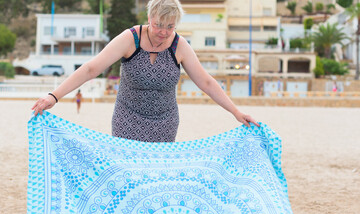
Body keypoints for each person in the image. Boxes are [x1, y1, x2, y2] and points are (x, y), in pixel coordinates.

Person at [32, 0, 260, 142]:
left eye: (170, 27)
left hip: (165, 122)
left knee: (155, 177)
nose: (163, 32)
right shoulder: (130, 38)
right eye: (159, 25)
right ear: (149, 18)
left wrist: (236, 112)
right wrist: (54, 96)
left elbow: (206, 83)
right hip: (127, 118)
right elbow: (92, 68)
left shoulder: (179, 45)